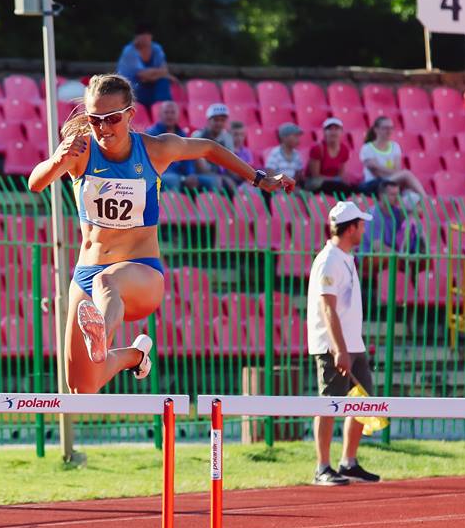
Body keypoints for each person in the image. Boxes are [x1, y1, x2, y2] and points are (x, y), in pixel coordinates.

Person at [28, 73, 294, 397]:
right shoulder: (80, 151)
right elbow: (36, 184)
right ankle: (133, 356)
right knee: (81, 389)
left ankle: (101, 333)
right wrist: (58, 159)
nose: (103, 128)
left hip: (141, 273)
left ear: (130, 114)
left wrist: (260, 179)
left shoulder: (154, 149)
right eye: (95, 120)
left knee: (106, 282)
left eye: (112, 119)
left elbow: (209, 148)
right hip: (86, 273)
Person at [306, 200, 381, 486]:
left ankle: (348, 462)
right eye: (361, 225)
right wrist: (339, 349)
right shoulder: (329, 259)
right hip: (333, 346)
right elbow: (327, 307)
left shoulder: (345, 257)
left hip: (352, 343)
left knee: (363, 401)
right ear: (350, 229)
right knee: (330, 403)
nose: (364, 229)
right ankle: (322, 467)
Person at [145, 101, 220, 192]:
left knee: (213, 181)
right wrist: (182, 178)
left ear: (178, 115)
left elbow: (187, 159)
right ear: (160, 115)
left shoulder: (182, 134)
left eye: (172, 113)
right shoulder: (151, 134)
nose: (169, 116)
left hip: (181, 175)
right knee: (173, 180)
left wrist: (190, 174)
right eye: (166, 112)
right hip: (161, 175)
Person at [359, 116, 426, 199]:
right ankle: (426, 198)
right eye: (385, 128)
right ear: (376, 129)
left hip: (391, 181)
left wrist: (383, 169)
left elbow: (396, 170)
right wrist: (394, 173)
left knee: (412, 196)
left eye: (391, 128)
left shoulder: (395, 146)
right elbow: (376, 172)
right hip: (374, 184)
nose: (389, 131)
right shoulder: (367, 148)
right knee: (406, 174)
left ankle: (424, 200)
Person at [116, 23, 173, 109]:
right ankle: (162, 108)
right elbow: (142, 75)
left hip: (148, 87)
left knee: (163, 82)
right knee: (163, 80)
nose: (146, 38)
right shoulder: (129, 51)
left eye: (148, 35)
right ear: (137, 37)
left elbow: (164, 70)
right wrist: (160, 73)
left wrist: (151, 75)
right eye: (143, 35)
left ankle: (163, 108)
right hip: (132, 90)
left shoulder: (156, 48)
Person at [305, 117, 355, 194]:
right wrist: (335, 180)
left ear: (341, 131)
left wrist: (338, 180)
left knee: (351, 187)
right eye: (329, 129)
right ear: (324, 132)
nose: (333, 132)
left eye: (336, 129)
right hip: (316, 182)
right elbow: (315, 176)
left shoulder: (344, 149)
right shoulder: (317, 148)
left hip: (334, 182)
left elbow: (341, 174)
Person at [192, 104, 236, 190]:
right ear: (209, 120)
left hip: (220, 173)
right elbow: (201, 167)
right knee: (216, 182)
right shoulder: (198, 136)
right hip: (200, 174)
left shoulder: (228, 138)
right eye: (216, 120)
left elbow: (230, 162)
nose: (219, 123)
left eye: (222, 120)